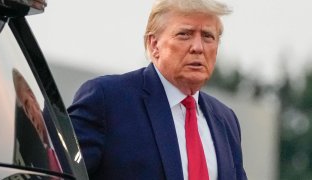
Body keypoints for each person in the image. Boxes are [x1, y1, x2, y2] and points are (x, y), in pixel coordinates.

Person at [68, 0, 247, 179]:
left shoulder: (226, 120)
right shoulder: (107, 100)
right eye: (185, 34)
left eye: (208, 36)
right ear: (154, 45)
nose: (198, 48)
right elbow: (59, 172)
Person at [12, 68, 62, 174]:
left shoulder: (64, 136)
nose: (30, 119)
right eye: (23, 117)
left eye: (27, 105)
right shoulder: (29, 161)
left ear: (33, 97)